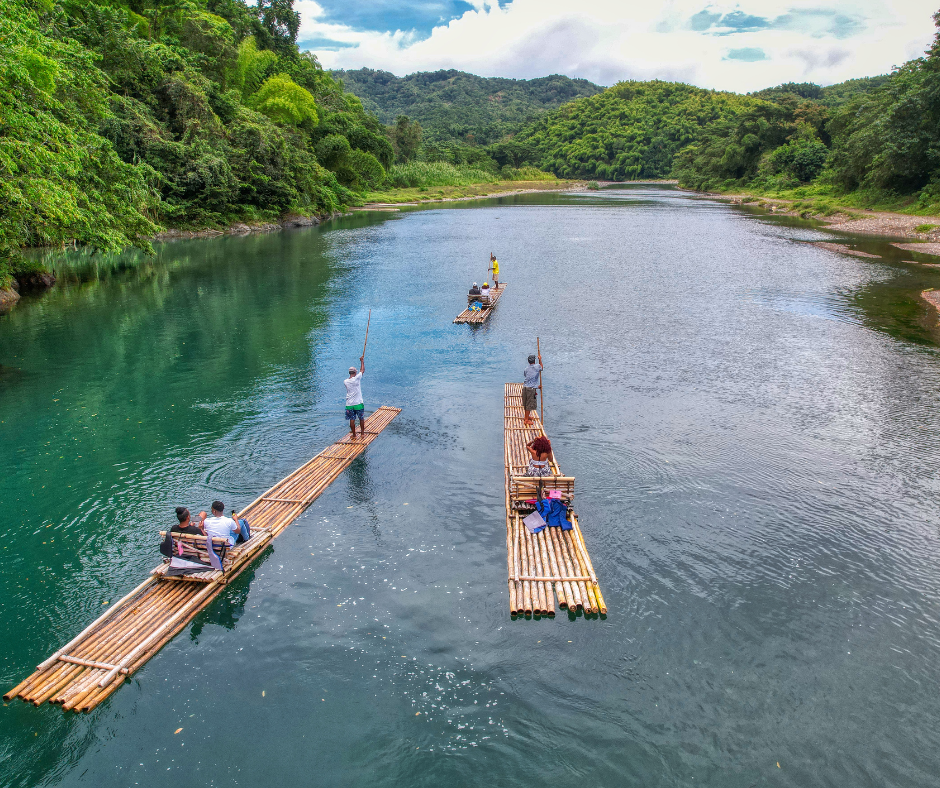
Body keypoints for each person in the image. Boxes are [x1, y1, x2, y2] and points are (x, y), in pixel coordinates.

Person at [344, 355, 366, 438]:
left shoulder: (345, 381)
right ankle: (362, 434)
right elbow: (362, 370)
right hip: (358, 403)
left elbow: (360, 371)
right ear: (355, 372)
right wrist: (362, 361)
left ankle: (354, 435)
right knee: (361, 418)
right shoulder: (357, 379)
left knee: (352, 420)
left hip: (349, 404)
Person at [522, 352, 542, 426]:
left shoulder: (526, 368)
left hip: (525, 387)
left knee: (526, 402)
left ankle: (527, 417)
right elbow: (541, 367)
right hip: (530, 389)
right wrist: (540, 360)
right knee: (529, 404)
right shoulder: (537, 367)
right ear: (534, 361)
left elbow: (527, 376)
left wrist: (537, 386)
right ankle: (526, 420)